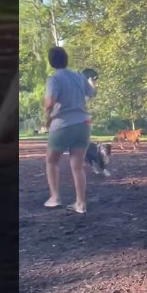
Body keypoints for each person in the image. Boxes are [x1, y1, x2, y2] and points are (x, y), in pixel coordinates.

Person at [42, 46, 97, 213]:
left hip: (62, 125)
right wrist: (93, 80)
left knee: (52, 161)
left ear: (51, 62)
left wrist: (47, 119)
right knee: (78, 166)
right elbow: (92, 93)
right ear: (66, 59)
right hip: (83, 124)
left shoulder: (54, 79)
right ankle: (80, 203)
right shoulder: (79, 77)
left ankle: (55, 197)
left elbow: (50, 103)